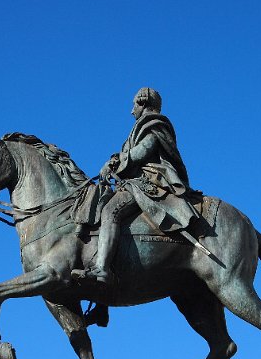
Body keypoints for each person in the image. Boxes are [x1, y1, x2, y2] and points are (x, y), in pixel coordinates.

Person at [72, 87, 198, 284]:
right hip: (134, 181)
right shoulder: (140, 127)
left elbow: (142, 152)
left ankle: (102, 268)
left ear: (143, 102)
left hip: (150, 180)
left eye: (134, 106)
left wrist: (114, 163)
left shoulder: (155, 125)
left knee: (110, 211)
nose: (132, 111)